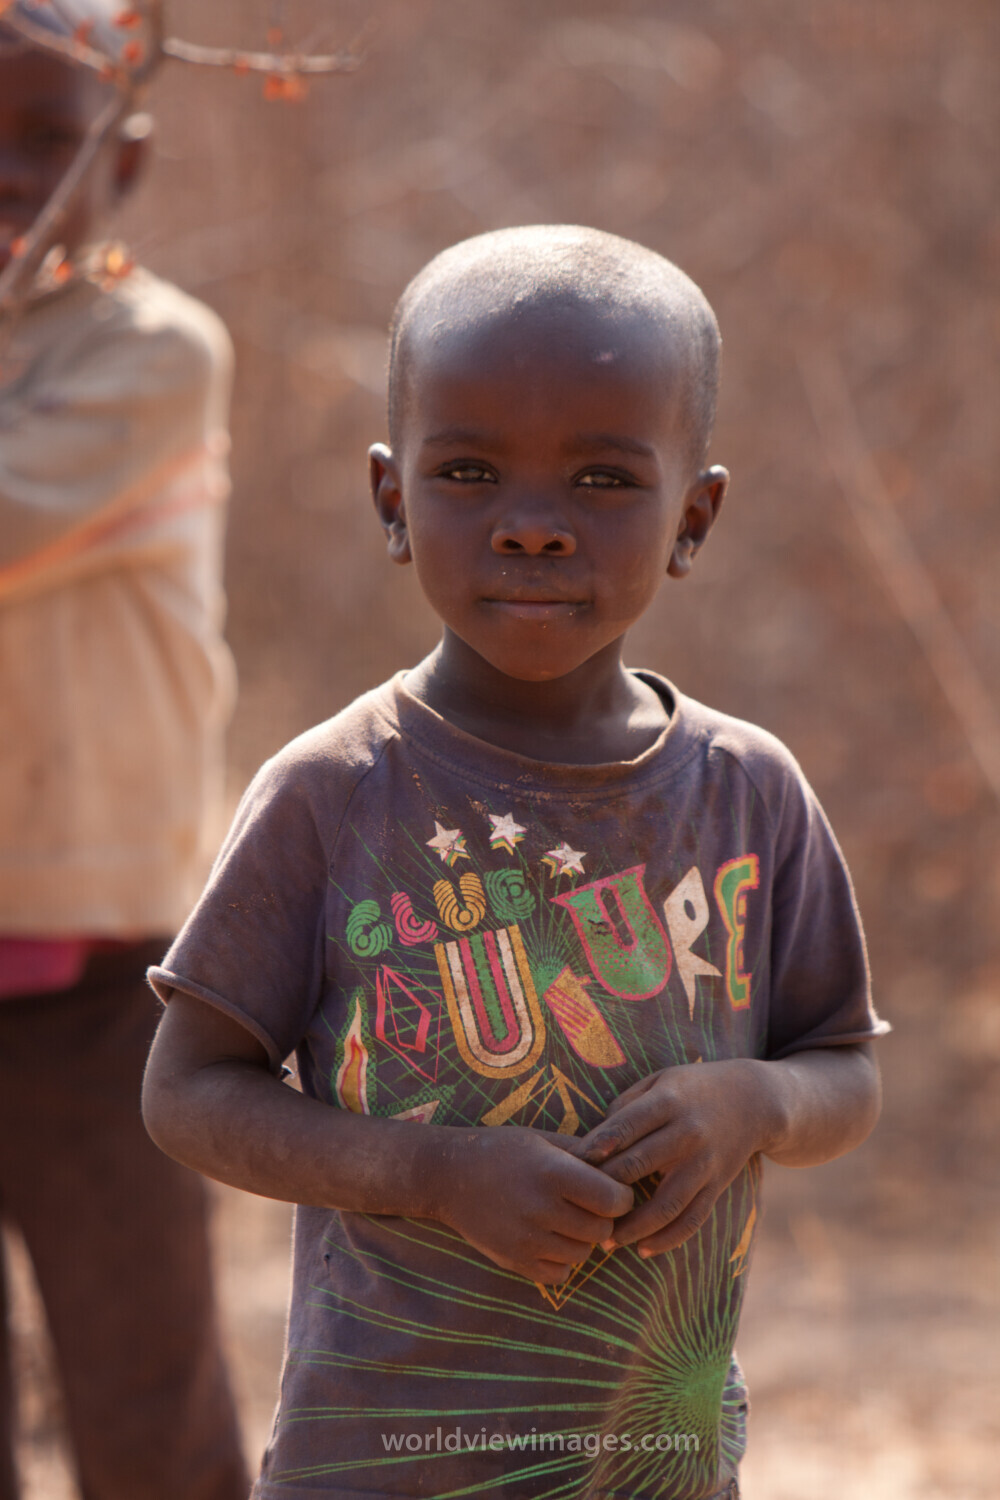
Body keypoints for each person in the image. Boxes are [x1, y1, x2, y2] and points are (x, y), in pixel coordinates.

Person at [142, 224, 889, 1500]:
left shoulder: (748, 791)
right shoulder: (334, 793)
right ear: (393, 500)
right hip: (379, 1468)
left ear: (693, 515)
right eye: (471, 471)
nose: (532, 527)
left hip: (652, 1460)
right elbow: (192, 1092)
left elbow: (842, 1067)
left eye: (602, 480)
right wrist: (431, 1175)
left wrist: (755, 1103)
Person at [0, 7, 248, 1498]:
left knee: (142, 1381)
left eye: (50, 135)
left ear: (127, 153)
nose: (11, 177)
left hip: (106, 971)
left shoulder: (154, 352)